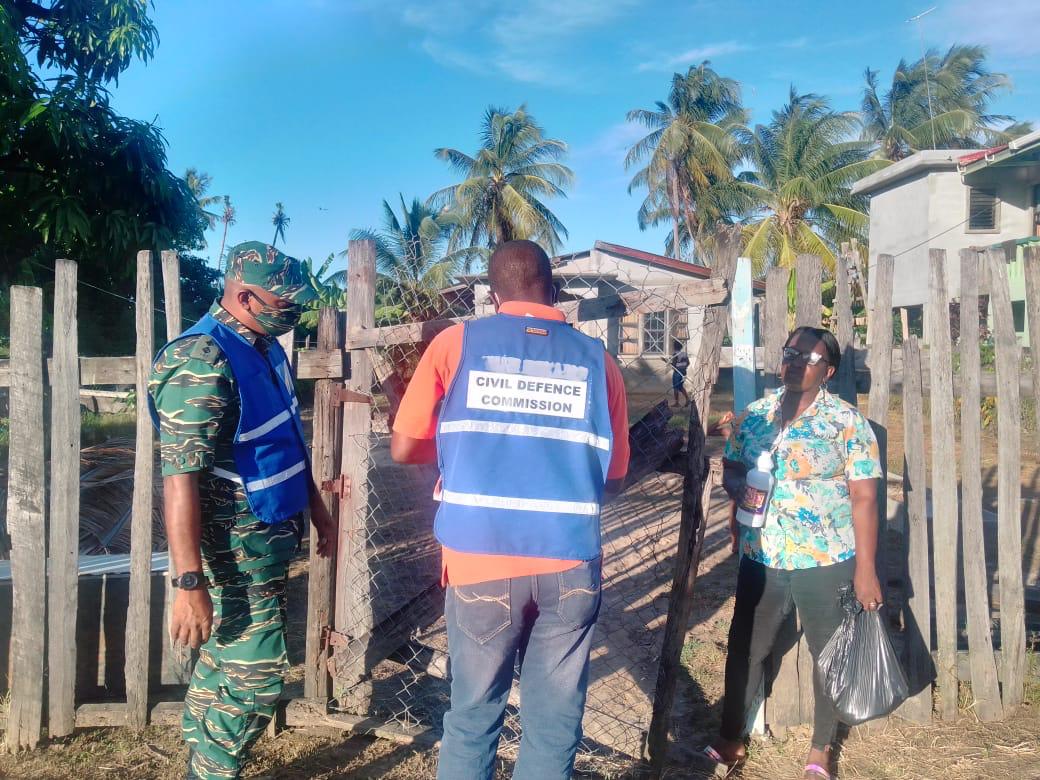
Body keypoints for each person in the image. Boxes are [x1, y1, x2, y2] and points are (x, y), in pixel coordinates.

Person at [390, 240, 630, 780]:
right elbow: (614, 475)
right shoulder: (600, 361)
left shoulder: (457, 344)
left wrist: (460, 447)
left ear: (494, 294)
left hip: (478, 563)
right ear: (554, 291)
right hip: (569, 562)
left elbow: (405, 447)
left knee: (473, 716)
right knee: (553, 721)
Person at [148, 241, 336, 780]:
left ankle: (202, 763)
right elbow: (179, 477)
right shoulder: (199, 358)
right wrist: (188, 584)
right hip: (231, 553)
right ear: (245, 295)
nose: (293, 312)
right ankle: (214, 769)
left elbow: (284, 438)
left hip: (266, 541)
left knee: (226, 658)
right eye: (285, 301)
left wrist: (317, 510)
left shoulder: (263, 346)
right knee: (256, 679)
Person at [703, 326, 883, 780]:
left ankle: (821, 748)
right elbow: (732, 466)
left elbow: (864, 497)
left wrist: (866, 569)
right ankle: (731, 738)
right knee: (746, 647)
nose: (796, 361)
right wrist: (740, 490)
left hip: (825, 560)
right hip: (762, 557)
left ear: (829, 371)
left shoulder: (846, 423)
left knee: (829, 653)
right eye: (790, 353)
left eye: (810, 357)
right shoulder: (758, 415)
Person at [669, 339, 690, 407]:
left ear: (674, 347)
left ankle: (677, 403)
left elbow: (674, 365)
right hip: (683, 372)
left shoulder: (675, 354)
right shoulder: (684, 353)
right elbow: (688, 363)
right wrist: (683, 367)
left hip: (677, 372)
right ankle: (687, 399)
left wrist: (667, 362)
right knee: (680, 386)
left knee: (675, 387)